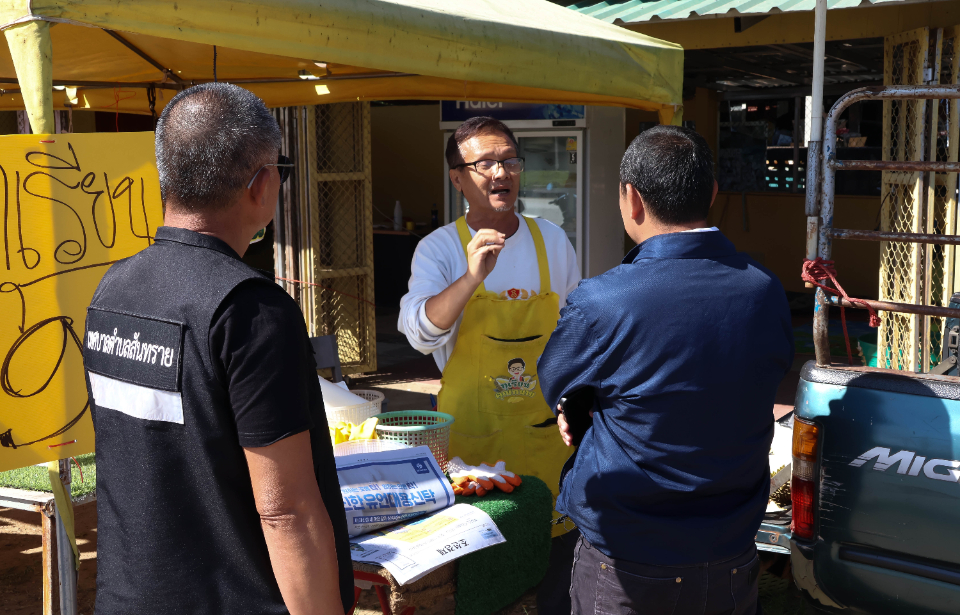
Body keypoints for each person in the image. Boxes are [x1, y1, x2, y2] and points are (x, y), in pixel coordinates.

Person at [83, 83, 353, 615]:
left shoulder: (113, 289)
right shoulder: (250, 311)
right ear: (263, 184)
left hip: (129, 597)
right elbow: (286, 511)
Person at [539, 126, 793, 615]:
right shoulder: (764, 289)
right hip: (731, 546)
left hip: (629, 554)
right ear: (712, 194)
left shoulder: (603, 299)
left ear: (631, 199)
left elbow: (556, 381)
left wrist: (579, 403)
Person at [398, 116, 581, 613]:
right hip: (473, 452)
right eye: (485, 164)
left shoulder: (551, 241)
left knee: (552, 578)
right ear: (458, 178)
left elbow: (572, 331)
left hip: (545, 439)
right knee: (482, 580)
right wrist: (471, 278)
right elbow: (419, 333)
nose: (501, 173)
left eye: (510, 161)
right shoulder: (439, 248)